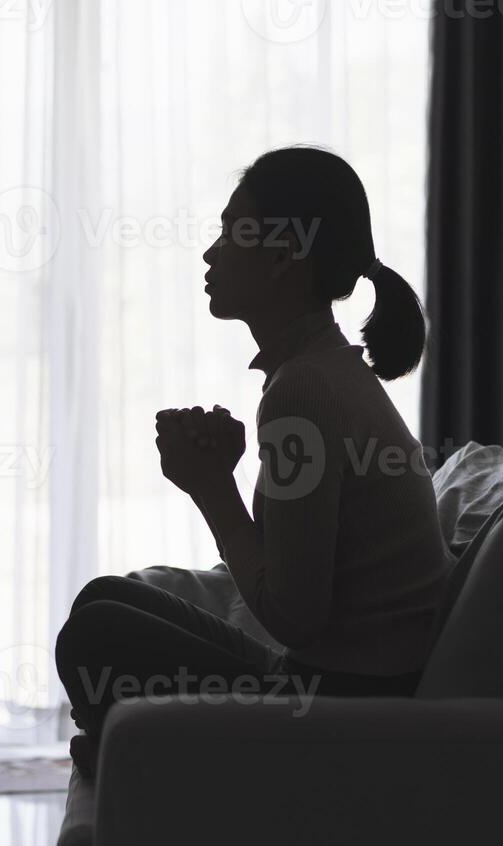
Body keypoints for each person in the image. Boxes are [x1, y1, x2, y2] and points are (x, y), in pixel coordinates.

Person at [54, 146, 451, 776]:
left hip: (338, 708)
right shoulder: (323, 369)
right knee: (103, 599)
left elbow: (295, 616)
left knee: (92, 636)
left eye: (230, 233)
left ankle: (129, 760)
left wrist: (211, 488)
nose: (211, 253)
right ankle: (121, 747)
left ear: (283, 255)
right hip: (334, 680)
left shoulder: (302, 391)